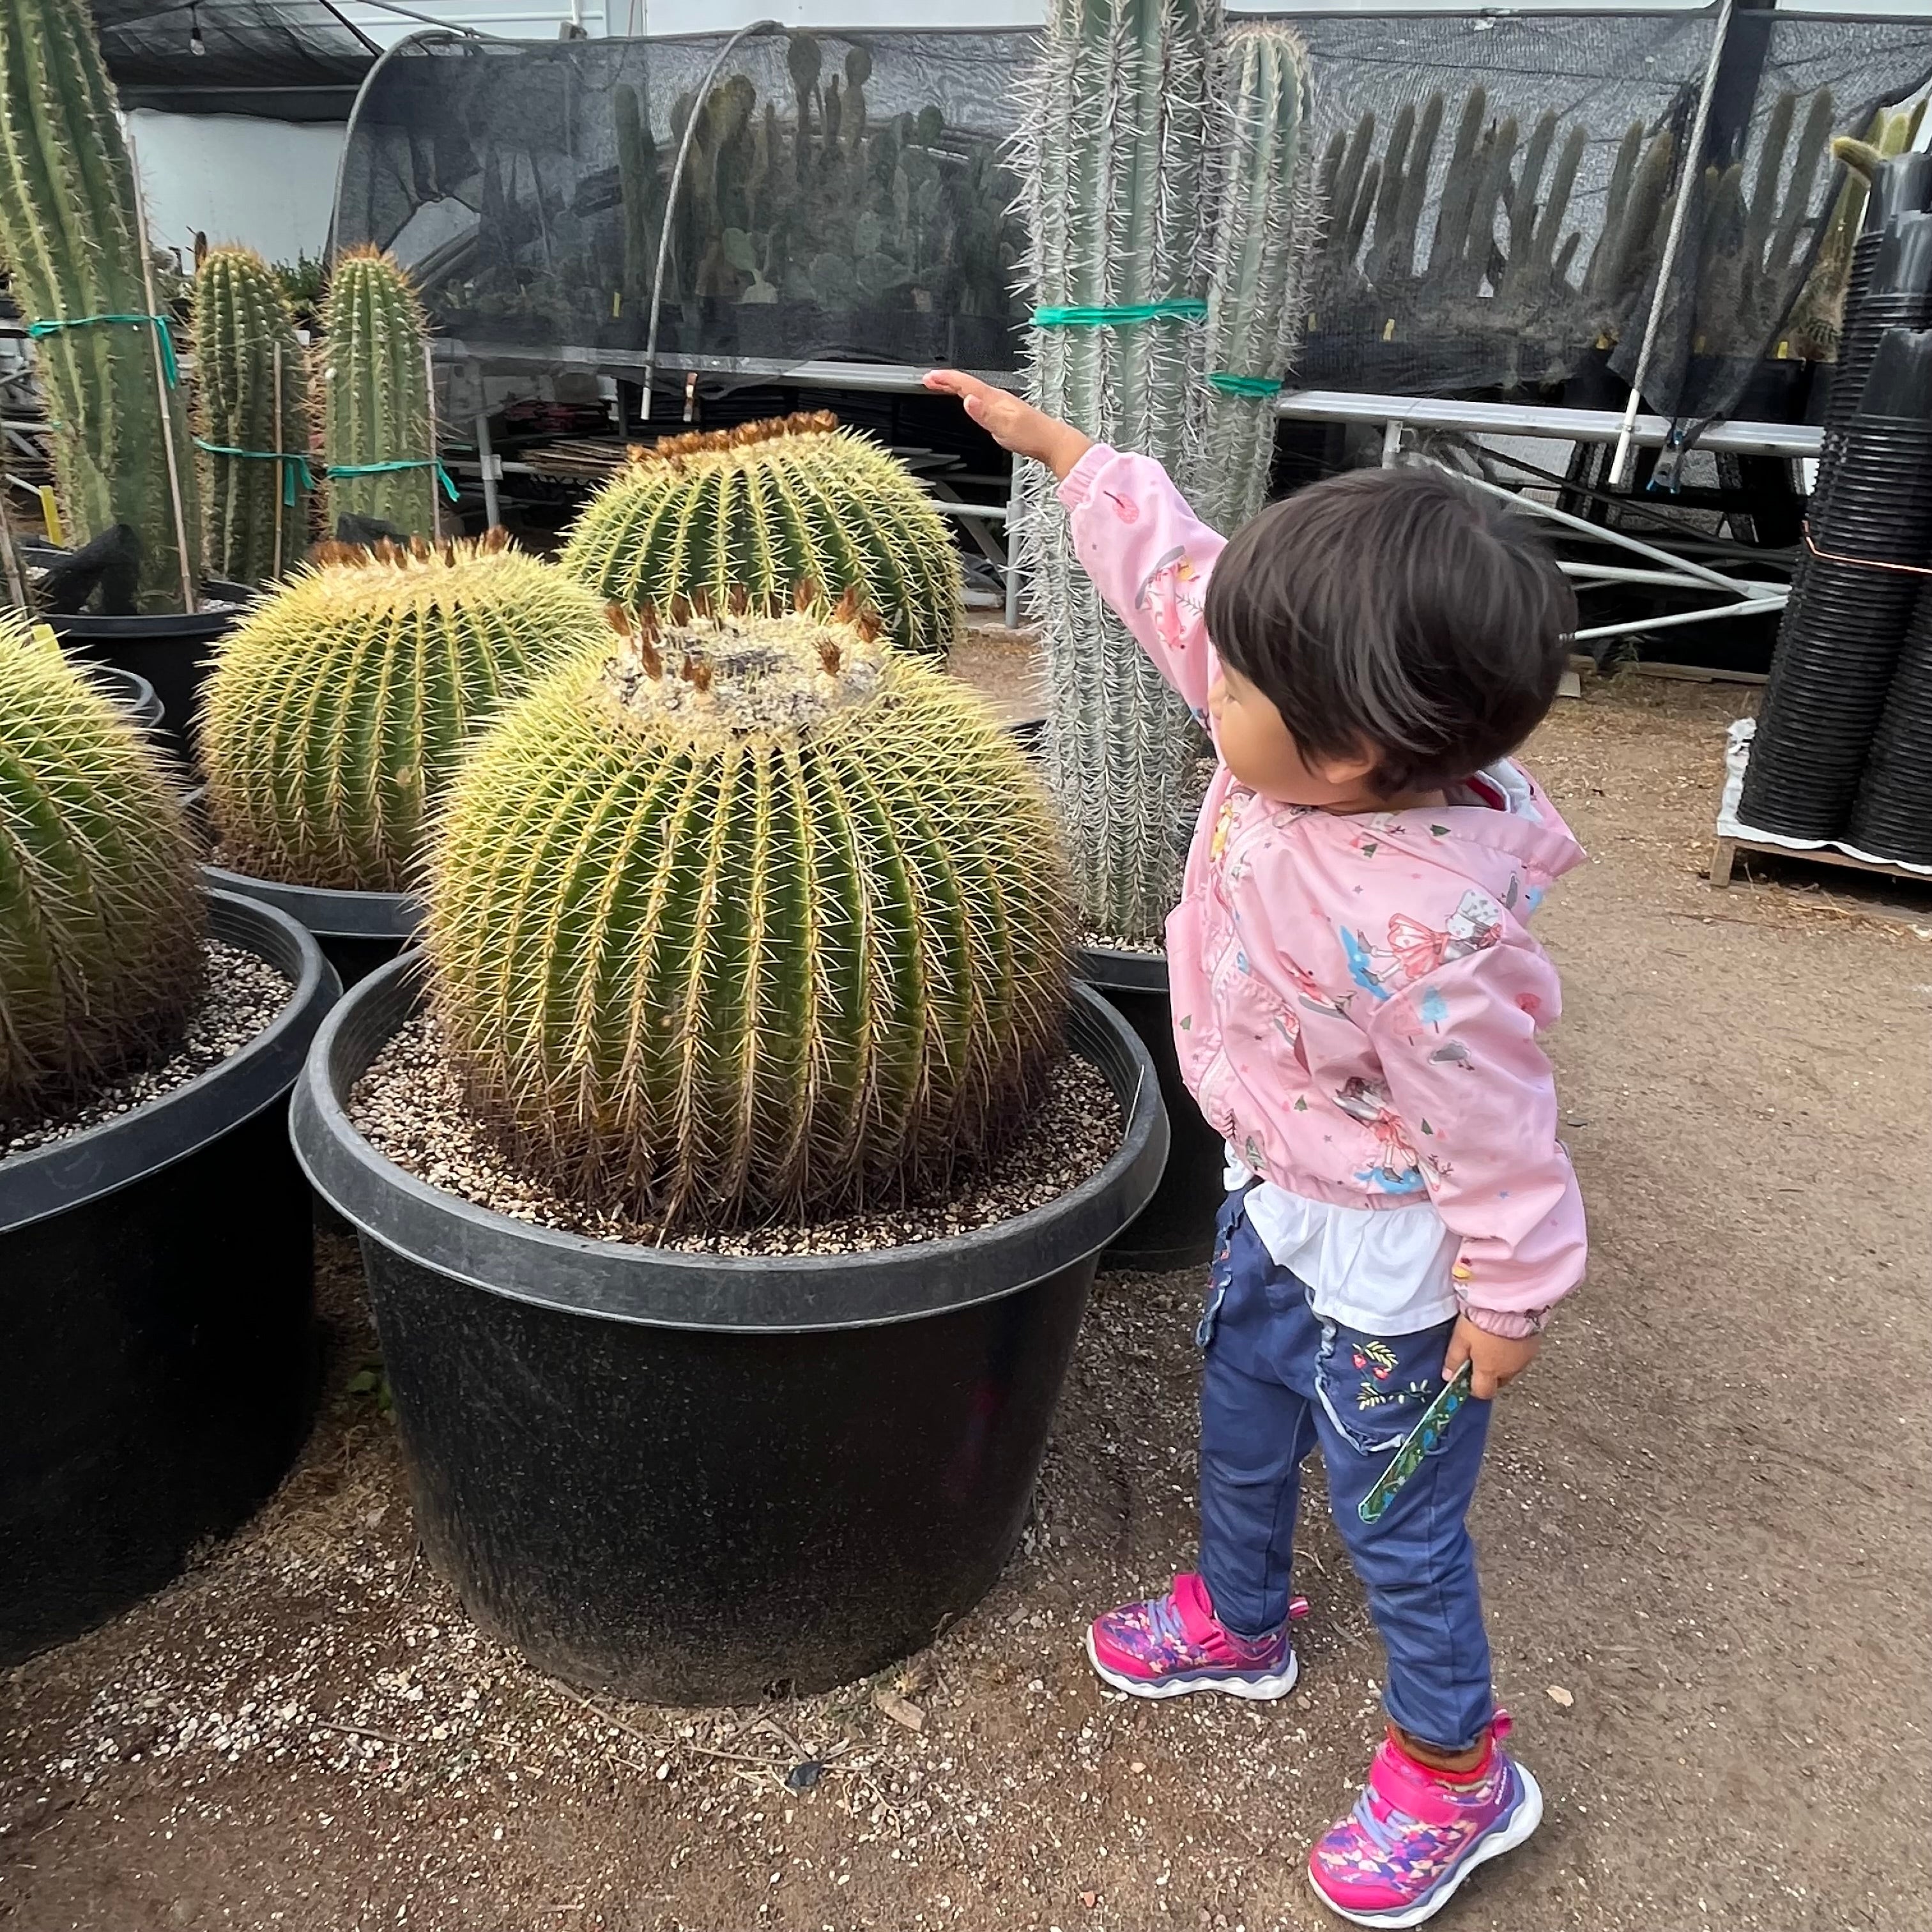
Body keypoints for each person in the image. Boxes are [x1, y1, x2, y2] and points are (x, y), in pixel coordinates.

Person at [925, 369, 1589, 1929]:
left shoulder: (1428, 931)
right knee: (1241, 1415)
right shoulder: (1285, 725)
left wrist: (1510, 1297)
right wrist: (1072, 456)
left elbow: (1496, 1131)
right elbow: (1182, 581)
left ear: (1355, 754)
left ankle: (1457, 1770)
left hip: (1400, 1261)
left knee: (1394, 1517)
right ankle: (1241, 1618)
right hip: (1276, 1186)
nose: (1203, 679)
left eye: (1235, 682)